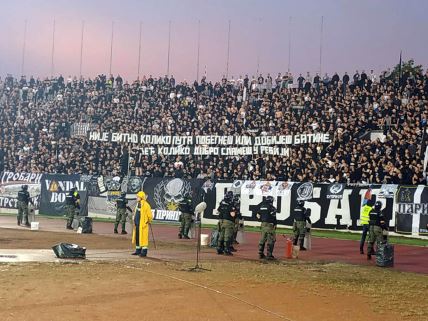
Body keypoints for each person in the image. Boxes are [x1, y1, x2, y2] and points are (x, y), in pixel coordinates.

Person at [132, 191, 153, 257]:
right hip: (137, 225)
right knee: (137, 237)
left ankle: (144, 252)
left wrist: (148, 221)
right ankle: (138, 250)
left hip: (143, 226)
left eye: (138, 197)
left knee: (144, 238)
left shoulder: (146, 205)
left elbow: (150, 216)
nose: (137, 198)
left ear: (141, 197)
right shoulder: (138, 204)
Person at [217, 191, 236, 256]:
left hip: (222, 221)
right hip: (228, 221)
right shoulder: (230, 204)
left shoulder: (222, 204)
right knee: (227, 236)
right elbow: (233, 214)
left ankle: (219, 248)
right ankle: (226, 250)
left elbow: (218, 210)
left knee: (221, 235)